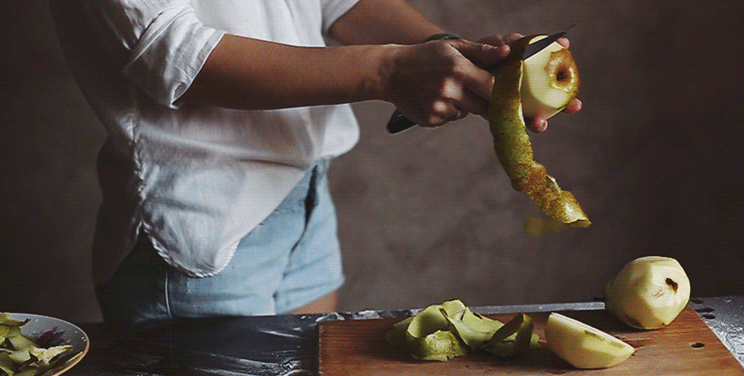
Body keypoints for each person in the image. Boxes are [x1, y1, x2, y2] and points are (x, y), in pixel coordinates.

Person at [50, 0, 581, 322]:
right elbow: (172, 51)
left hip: (303, 196)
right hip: (200, 229)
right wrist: (389, 71)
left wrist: (449, 50)